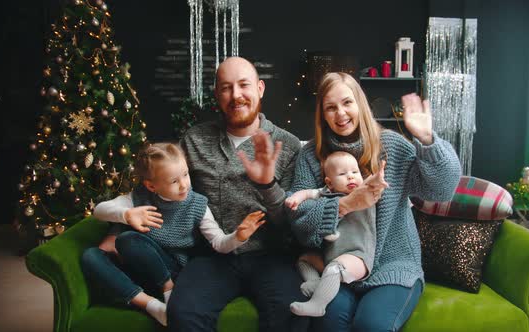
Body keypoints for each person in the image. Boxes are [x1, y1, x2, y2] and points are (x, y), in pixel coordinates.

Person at [285, 72, 462, 331]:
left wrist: (427, 139)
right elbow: (299, 221)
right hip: (339, 267)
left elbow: (443, 188)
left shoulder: (390, 145)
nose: (340, 113)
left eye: (347, 103)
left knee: (371, 325)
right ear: (322, 114)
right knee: (328, 321)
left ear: (360, 104)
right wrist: (346, 204)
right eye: (330, 107)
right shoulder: (311, 156)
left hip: (393, 265)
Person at [167, 57, 307, 332]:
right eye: (226, 88)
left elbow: (292, 222)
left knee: (293, 314)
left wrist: (267, 185)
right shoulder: (194, 140)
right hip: (212, 256)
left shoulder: (286, 144)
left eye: (244, 85)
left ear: (260, 88)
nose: (236, 95)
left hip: (271, 256)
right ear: (217, 94)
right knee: (183, 314)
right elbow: (161, 184)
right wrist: (118, 225)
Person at [81, 142, 265, 326]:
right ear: (151, 186)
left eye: (185, 175)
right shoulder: (139, 197)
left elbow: (218, 242)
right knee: (91, 256)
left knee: (128, 239)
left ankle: (169, 290)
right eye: (174, 181)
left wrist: (238, 237)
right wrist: (127, 215)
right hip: (139, 268)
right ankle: (152, 306)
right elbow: (99, 210)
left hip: (172, 271)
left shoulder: (197, 204)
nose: (184, 185)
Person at [285, 151, 388, 317]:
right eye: (342, 174)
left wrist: (376, 179)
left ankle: (318, 304)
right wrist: (295, 198)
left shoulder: (363, 193)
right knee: (305, 259)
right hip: (329, 255)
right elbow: (308, 193)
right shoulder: (326, 193)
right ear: (329, 182)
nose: (350, 177)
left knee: (334, 269)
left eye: (355, 172)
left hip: (357, 256)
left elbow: (371, 185)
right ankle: (315, 282)